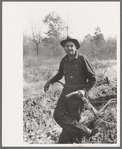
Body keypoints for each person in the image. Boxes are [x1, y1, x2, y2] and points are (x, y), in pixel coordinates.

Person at [44, 36, 96, 143]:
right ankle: (85, 131)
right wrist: (49, 81)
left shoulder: (82, 59)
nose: (69, 48)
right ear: (64, 48)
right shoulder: (64, 60)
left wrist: (84, 90)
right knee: (58, 115)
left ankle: (69, 140)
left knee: (72, 119)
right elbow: (59, 74)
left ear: (76, 47)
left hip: (77, 95)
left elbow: (93, 79)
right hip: (66, 92)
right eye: (67, 46)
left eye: (71, 46)